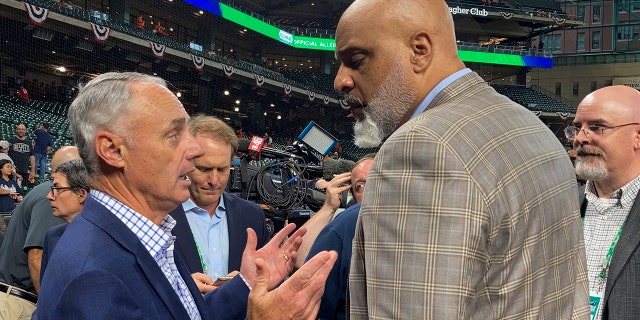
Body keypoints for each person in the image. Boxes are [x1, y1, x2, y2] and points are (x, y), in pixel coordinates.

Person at [333, 0, 589, 318]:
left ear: (419, 50)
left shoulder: (418, 148)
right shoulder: (529, 125)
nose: (340, 81)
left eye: (356, 59)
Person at [35, 72, 337, 319]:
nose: (193, 152)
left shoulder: (149, 233)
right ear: (113, 150)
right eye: (174, 135)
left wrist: (244, 282)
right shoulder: (94, 276)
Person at [170, 115, 269, 285]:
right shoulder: (159, 214)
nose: (214, 180)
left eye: (222, 169)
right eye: (204, 168)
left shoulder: (252, 216)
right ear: (184, 162)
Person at [568, 85, 640, 320]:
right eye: (578, 127)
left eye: (597, 127)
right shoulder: (562, 208)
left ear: (637, 137)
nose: (580, 138)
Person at [0, 146, 80, 320]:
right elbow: (37, 254)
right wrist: (49, 312)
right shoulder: (54, 196)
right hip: (19, 304)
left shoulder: (50, 191)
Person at [302, 153, 375, 320]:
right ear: (351, 196)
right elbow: (300, 263)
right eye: (361, 186)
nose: (371, 190)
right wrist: (328, 207)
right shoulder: (343, 226)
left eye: (375, 180)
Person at [40, 159, 90, 278]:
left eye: (57, 189)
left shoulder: (107, 239)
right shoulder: (52, 236)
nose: (49, 196)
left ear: (81, 194)